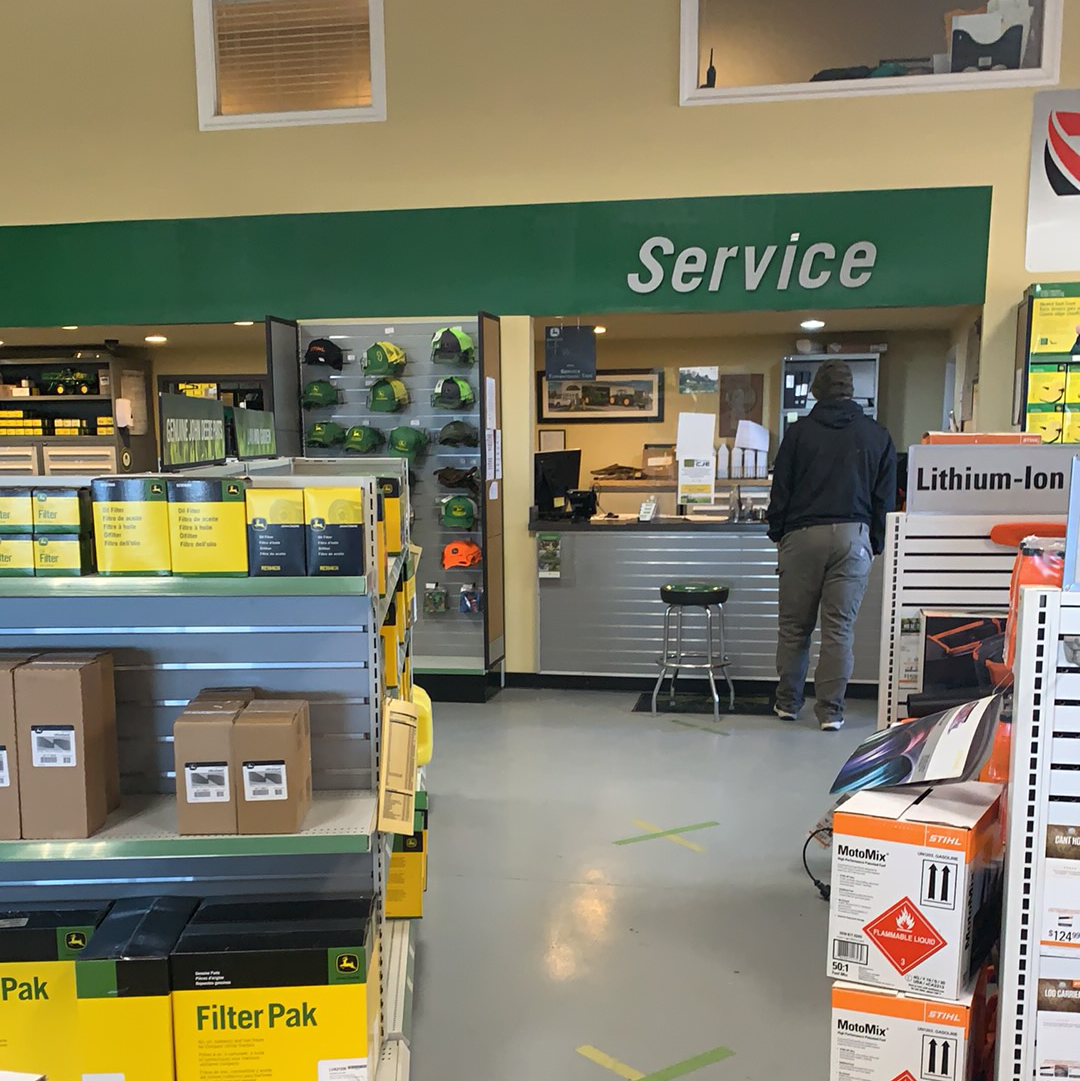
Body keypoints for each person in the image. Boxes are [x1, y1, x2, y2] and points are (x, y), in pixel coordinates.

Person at [766, 359, 896, 731]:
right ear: (851, 391)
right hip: (853, 538)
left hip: (803, 536)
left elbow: (781, 488)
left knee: (795, 627)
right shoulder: (877, 435)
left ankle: (788, 703)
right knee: (838, 630)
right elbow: (884, 498)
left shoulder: (799, 433)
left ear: (816, 392)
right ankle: (831, 712)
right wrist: (874, 542)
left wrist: (779, 533)